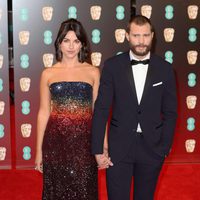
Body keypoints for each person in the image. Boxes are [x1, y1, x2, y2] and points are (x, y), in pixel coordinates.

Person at [91, 15, 177, 200]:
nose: (141, 41)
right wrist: (98, 149)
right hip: (118, 148)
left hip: (152, 148)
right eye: (136, 35)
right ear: (127, 36)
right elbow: (101, 109)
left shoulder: (165, 69)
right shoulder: (112, 66)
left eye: (145, 35)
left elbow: (170, 113)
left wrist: (164, 148)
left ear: (152, 36)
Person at [35, 18, 100, 200]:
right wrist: (39, 151)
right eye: (66, 40)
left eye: (76, 41)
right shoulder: (48, 73)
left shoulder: (93, 72)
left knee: (85, 191)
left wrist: (102, 146)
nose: (71, 46)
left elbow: (98, 114)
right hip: (55, 144)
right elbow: (43, 112)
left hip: (84, 145)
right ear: (59, 43)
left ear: (82, 44)